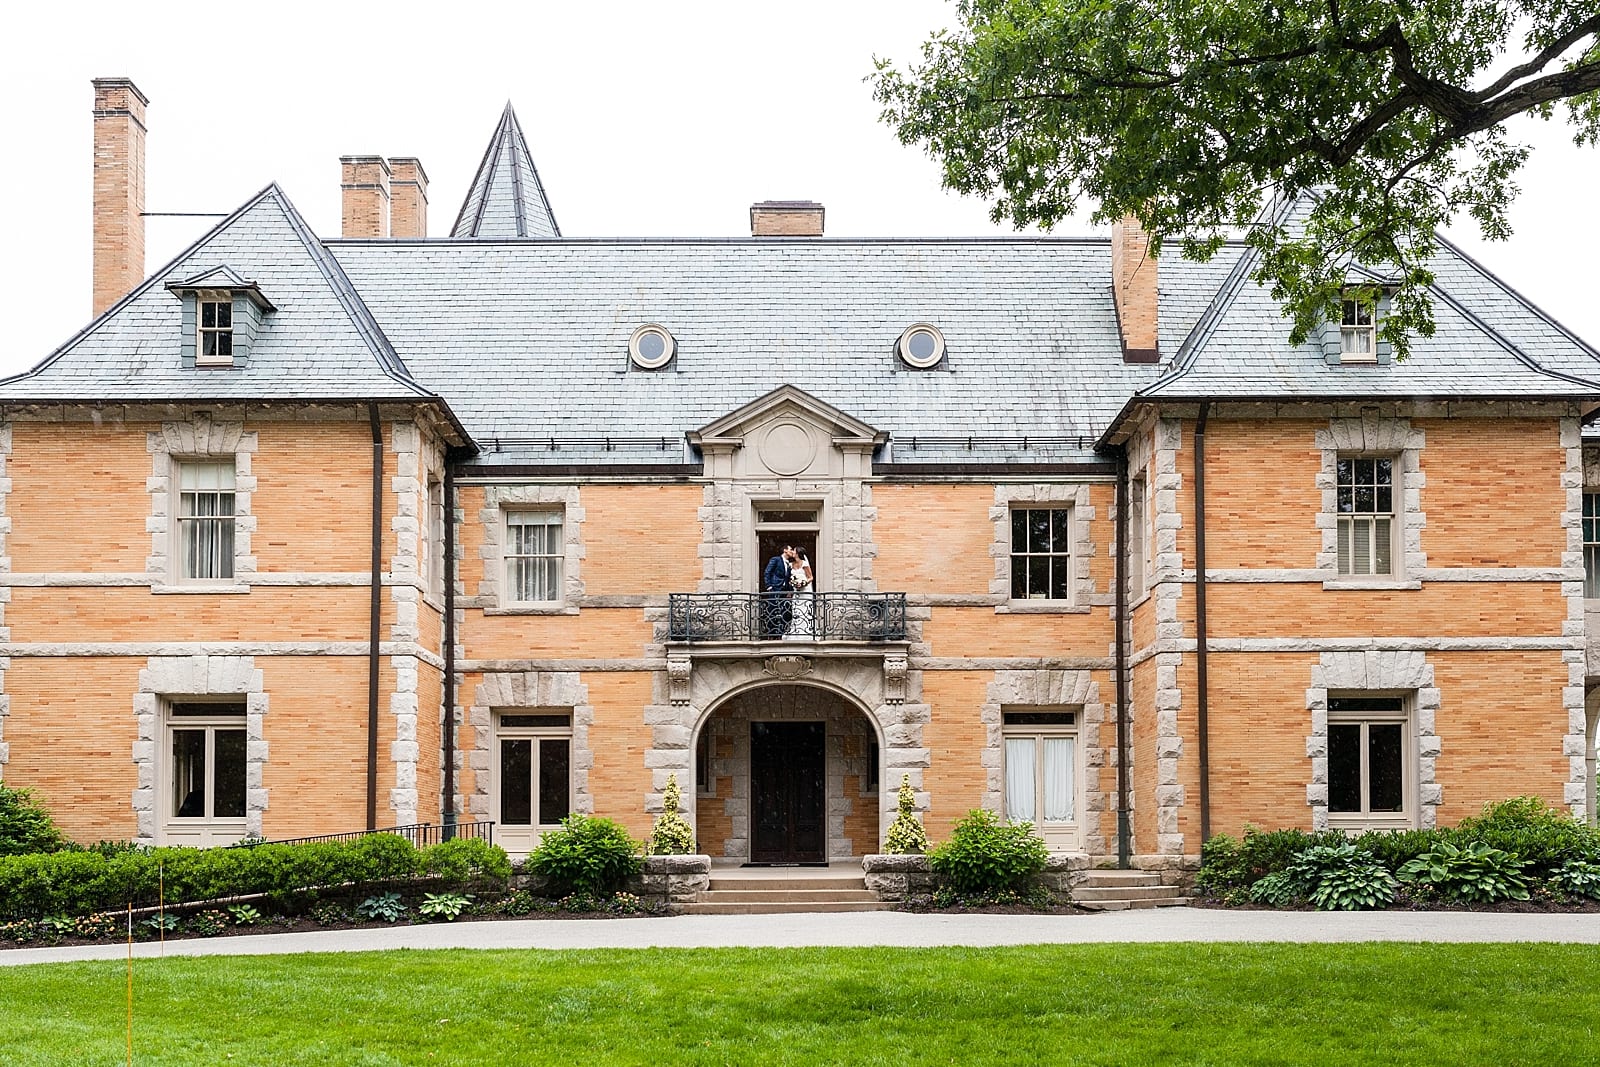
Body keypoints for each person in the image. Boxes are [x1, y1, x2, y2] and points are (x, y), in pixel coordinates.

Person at [760, 544, 795, 639]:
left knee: (784, 612)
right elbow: (767, 572)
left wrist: (790, 591)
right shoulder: (776, 559)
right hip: (775, 589)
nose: (792, 551)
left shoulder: (790, 563)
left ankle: (781, 633)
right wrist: (769, 586)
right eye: (791, 549)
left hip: (785, 591)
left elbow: (790, 578)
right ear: (785, 550)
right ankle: (771, 634)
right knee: (773, 610)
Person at [785, 548, 815, 640]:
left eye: (794, 551)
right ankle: (796, 632)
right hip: (796, 592)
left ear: (798, 553)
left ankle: (806, 633)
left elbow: (811, 577)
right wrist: (792, 583)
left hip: (805, 591)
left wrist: (803, 583)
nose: (793, 552)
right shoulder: (791, 565)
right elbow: (790, 578)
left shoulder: (804, 564)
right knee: (796, 611)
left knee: (805, 610)